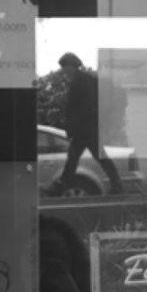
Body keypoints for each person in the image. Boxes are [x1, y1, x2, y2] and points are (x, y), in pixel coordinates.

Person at [46, 52, 123, 196]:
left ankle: (59, 187)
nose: (63, 70)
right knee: (85, 158)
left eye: (64, 67)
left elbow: (86, 106)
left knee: (77, 158)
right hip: (86, 128)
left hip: (86, 129)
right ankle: (117, 185)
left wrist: (77, 124)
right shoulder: (81, 80)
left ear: (72, 66)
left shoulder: (83, 81)